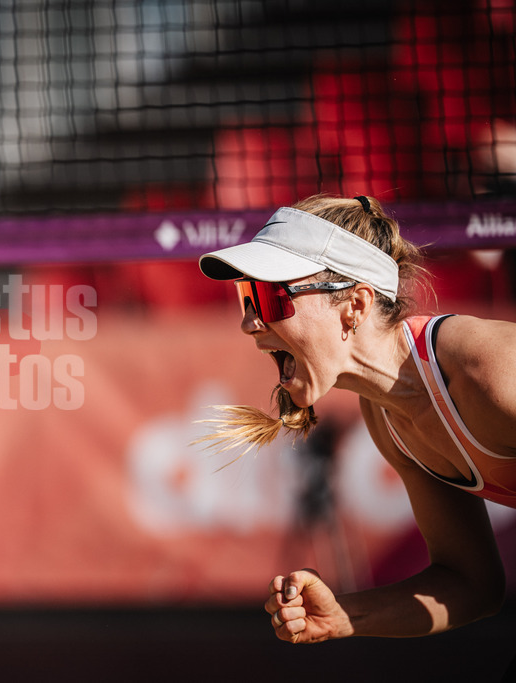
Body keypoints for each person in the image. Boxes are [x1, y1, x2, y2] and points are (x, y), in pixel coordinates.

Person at [196, 193, 516, 645]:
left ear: (355, 306)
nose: (249, 323)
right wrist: (345, 616)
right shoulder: (388, 417)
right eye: (247, 297)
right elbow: (471, 584)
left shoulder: (488, 371)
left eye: (271, 297)